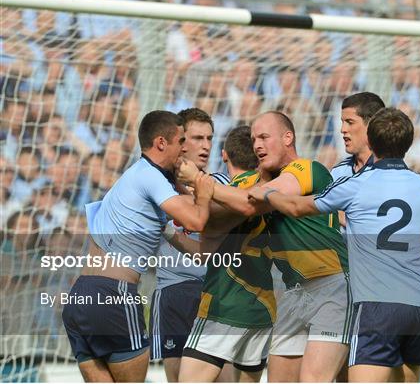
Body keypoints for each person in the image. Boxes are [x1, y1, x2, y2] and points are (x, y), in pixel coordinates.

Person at [248, 107, 420, 382]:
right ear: (408, 144)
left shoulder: (357, 184)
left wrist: (268, 193)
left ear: (371, 142)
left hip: (378, 305)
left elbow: (296, 206)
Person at [177, 111, 350, 382]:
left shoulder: (306, 168)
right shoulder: (251, 182)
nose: (257, 144)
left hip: (331, 286)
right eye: (254, 138)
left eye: (264, 137)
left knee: (317, 379)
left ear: (288, 137)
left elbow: (251, 203)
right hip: (293, 294)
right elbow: (215, 220)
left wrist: (201, 182)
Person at [61, 110, 214, 382]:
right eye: (182, 141)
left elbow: (190, 244)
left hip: (80, 296)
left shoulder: (132, 179)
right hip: (115, 295)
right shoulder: (150, 177)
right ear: (160, 143)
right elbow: (197, 220)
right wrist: (201, 183)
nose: (186, 147)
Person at [174, 125, 274, 382]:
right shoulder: (268, 188)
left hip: (226, 300)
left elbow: (206, 248)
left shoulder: (236, 188)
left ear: (225, 155)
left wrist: (188, 204)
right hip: (262, 304)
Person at [149, 108, 229, 382]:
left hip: (216, 292)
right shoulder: (156, 183)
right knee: (177, 376)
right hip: (174, 291)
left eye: (209, 138)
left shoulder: (220, 184)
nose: (206, 146)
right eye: (197, 138)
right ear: (180, 139)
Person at [331, 92, 386, 230]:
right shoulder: (338, 172)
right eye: (342, 122)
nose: (342, 130)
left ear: (372, 125)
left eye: (350, 122)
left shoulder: (392, 173)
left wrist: (345, 219)